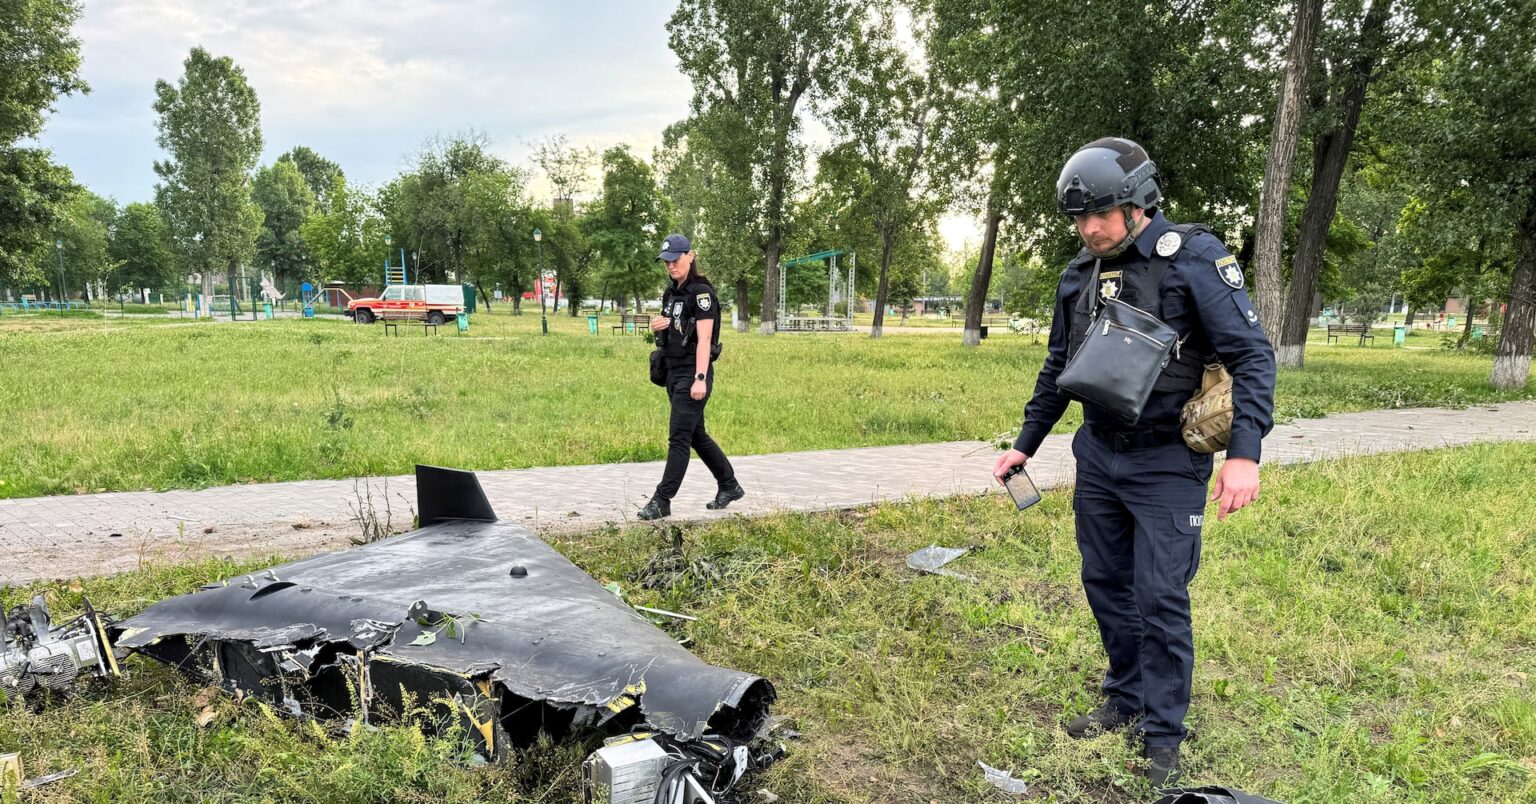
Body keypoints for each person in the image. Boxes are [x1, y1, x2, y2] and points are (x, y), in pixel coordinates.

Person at [991, 137, 1276, 784]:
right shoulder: (1078, 275)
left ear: (1139, 201)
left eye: (1102, 213)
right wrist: (1025, 443)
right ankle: (1124, 700)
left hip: (1167, 464)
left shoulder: (1193, 259)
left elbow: (1254, 356)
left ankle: (1163, 734)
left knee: (1160, 598)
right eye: (1079, 218)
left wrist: (1244, 455)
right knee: (1107, 587)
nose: (1090, 228)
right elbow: (1057, 369)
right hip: (1097, 457)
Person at [638, 234, 745, 521]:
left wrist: (700, 378)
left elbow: (705, 338)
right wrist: (658, 326)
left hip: (692, 373)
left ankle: (663, 499)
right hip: (672, 372)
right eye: (666, 262)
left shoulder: (702, 294)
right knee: (696, 435)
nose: (671, 265)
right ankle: (729, 485)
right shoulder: (671, 293)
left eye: (676, 259)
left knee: (679, 438)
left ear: (690, 256)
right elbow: (672, 331)